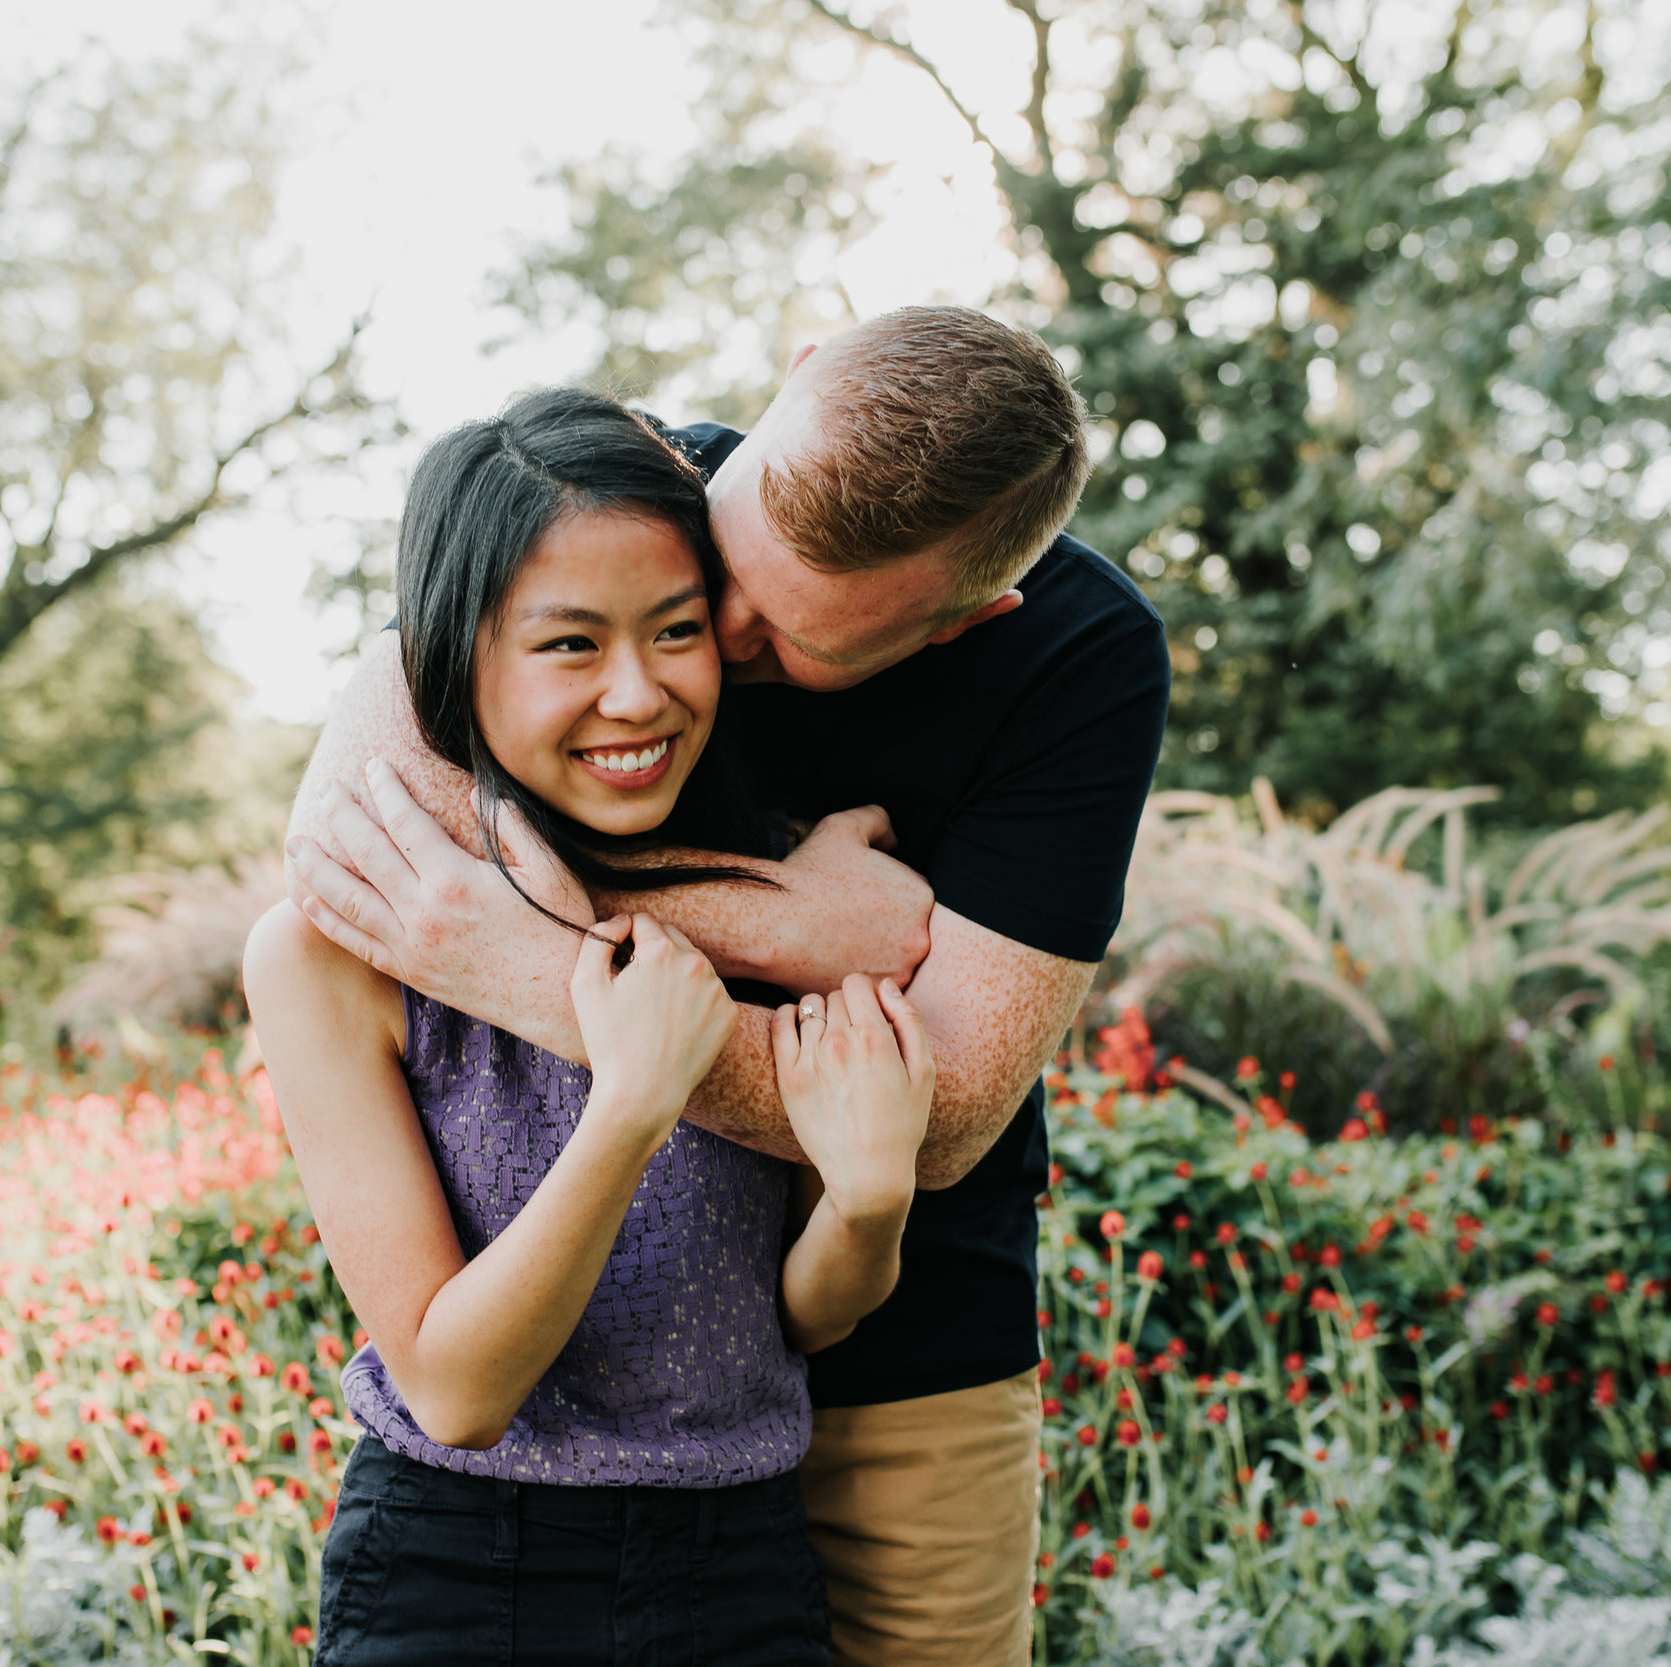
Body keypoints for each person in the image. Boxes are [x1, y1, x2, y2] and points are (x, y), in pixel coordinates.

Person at [289, 307, 1172, 1665]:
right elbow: (349, 835)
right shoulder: (621, 493)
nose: (717, 639)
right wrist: (775, 924)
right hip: (508, 1487)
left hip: (900, 1346)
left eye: (781, 636)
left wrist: (540, 959)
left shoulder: (1077, 655)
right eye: (725, 573)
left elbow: (943, 1114)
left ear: (962, 620)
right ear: (797, 370)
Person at [244, 387, 937, 1663]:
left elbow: (792, 1317)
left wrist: (872, 1198)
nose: (637, 694)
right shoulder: (326, 954)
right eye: (570, 645)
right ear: (453, 655)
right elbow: (454, 1388)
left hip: (743, 1570)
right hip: (461, 1577)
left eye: (676, 631)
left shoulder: (775, 908)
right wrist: (628, 1105)